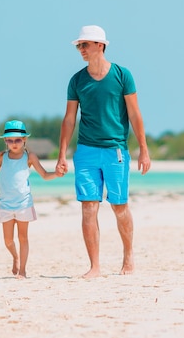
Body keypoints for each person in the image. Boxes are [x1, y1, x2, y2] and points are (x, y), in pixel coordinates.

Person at [55, 25, 151, 279]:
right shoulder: (77, 80)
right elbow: (68, 119)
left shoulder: (122, 75)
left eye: (84, 45)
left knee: (119, 207)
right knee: (88, 207)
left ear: (100, 45)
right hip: (85, 151)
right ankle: (94, 266)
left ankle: (128, 256)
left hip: (115, 150)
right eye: (79, 46)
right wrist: (62, 154)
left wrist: (143, 149)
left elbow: (134, 114)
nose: (81, 50)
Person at [0, 120, 63, 279]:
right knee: (8, 240)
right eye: (10, 140)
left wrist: (57, 174)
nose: (14, 143)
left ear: (24, 140)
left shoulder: (29, 156)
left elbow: (44, 175)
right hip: (5, 204)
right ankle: (15, 257)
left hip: (24, 204)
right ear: (5, 141)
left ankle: (22, 270)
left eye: (17, 140)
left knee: (23, 238)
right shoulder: (2, 157)